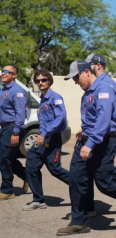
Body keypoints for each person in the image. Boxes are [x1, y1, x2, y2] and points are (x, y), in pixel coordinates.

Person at [57, 61, 116, 236]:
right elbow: (92, 117)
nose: (75, 82)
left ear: (87, 71)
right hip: (86, 141)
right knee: (76, 179)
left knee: (105, 184)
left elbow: (103, 119)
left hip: (101, 143)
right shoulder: (88, 91)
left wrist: (90, 143)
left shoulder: (104, 89)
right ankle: (79, 221)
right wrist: (84, 130)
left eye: (77, 77)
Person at [23, 69, 69, 210]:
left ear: (49, 80)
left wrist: (45, 133)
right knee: (31, 163)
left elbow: (60, 118)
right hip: (42, 138)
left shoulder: (55, 97)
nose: (40, 83)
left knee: (55, 169)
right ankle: (38, 200)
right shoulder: (43, 99)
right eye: (38, 81)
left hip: (52, 138)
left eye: (43, 80)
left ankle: (80, 184)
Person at [0, 65, 29, 200]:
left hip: (12, 127)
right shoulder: (3, 89)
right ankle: (27, 176)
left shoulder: (17, 91)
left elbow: (20, 113)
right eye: (3, 71)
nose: (3, 73)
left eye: (7, 72)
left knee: (3, 158)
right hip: (4, 127)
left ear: (14, 75)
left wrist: (16, 132)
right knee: (9, 158)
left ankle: (7, 190)